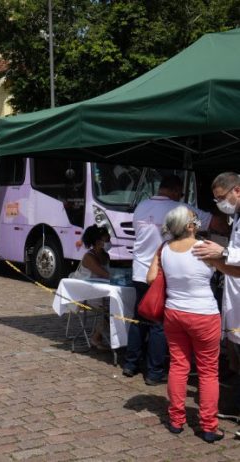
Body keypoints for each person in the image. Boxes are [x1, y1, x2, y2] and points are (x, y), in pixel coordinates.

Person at [123, 175, 226, 385]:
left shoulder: (141, 206)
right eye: (180, 193)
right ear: (176, 190)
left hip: (140, 271)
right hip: (163, 273)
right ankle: (154, 372)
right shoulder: (181, 209)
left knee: (139, 318)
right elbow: (217, 224)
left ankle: (130, 363)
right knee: (158, 325)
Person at [148, 206, 224, 442]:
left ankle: (176, 420)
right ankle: (209, 426)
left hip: (174, 313)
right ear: (190, 226)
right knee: (208, 371)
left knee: (178, 365)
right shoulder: (204, 247)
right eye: (194, 218)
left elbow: (150, 278)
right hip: (204, 314)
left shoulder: (163, 248)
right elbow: (229, 269)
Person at [192, 172, 240, 417]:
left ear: (237, 190)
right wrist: (219, 259)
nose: (220, 204)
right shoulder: (237, 215)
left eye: (221, 198)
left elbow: (233, 254)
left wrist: (223, 253)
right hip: (235, 294)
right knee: (236, 351)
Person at [71, 224, 111, 349]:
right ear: (98, 241)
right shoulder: (89, 257)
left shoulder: (106, 255)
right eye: (107, 239)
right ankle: (96, 336)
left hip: (100, 291)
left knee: (118, 303)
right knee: (113, 306)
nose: (109, 242)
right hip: (86, 293)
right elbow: (104, 274)